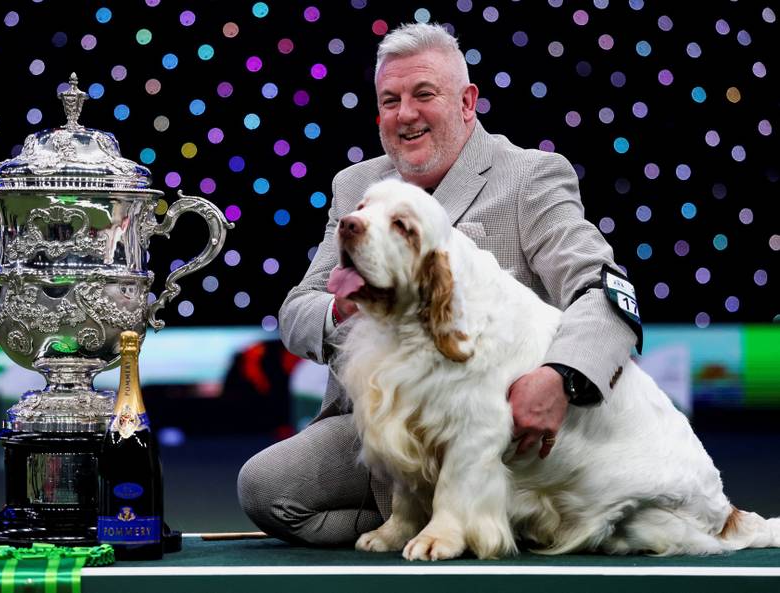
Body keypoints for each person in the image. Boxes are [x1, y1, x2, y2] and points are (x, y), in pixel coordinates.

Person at [238, 22, 638, 546]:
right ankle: (417, 522)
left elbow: (602, 290)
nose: (405, 114)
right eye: (390, 100)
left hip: (497, 431)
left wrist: (560, 377)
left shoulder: (529, 177)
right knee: (264, 489)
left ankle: (490, 514)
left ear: (467, 102)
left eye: (424, 94)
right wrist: (356, 302)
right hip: (381, 428)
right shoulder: (357, 185)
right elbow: (297, 313)